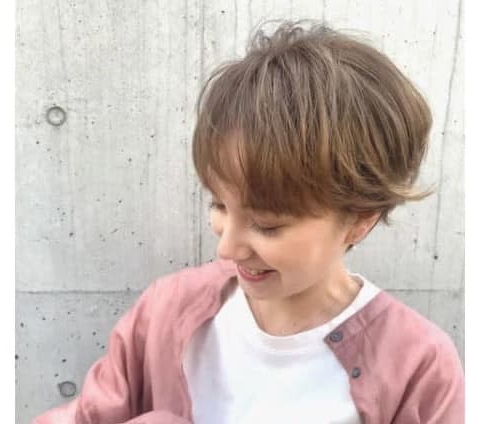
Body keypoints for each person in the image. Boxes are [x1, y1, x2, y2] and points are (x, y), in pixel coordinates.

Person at [34, 20, 464, 424]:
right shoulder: (166, 311)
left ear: (360, 220)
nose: (226, 248)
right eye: (219, 205)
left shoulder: (418, 367)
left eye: (267, 225)